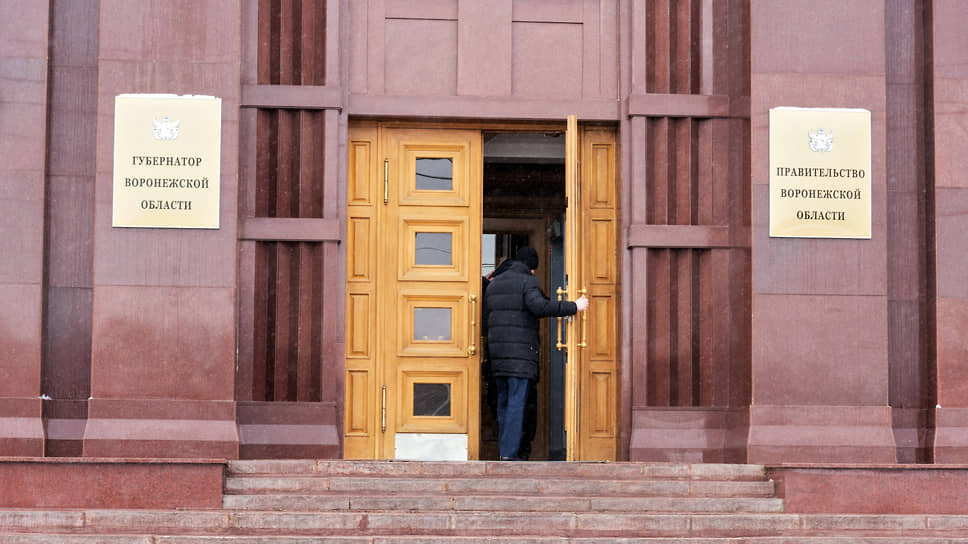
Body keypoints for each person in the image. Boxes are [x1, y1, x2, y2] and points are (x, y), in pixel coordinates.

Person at [483, 246, 587, 461]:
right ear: (531, 267)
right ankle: (509, 454)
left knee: (503, 404)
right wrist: (573, 306)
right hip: (520, 357)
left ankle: (504, 451)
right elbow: (539, 306)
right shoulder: (528, 281)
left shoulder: (494, 285)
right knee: (516, 404)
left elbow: (486, 320)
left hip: (497, 355)